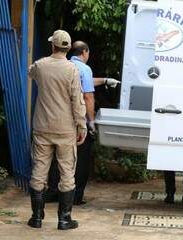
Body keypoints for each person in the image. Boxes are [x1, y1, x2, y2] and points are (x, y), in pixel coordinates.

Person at [46, 41, 120, 205]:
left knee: (57, 157)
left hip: (57, 119)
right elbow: (87, 96)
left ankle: (53, 192)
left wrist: (105, 80)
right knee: (80, 159)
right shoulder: (84, 69)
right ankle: (76, 196)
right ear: (85, 52)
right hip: (78, 121)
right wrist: (91, 122)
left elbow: (85, 81)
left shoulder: (64, 66)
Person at [28, 30, 87, 230]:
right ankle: (64, 219)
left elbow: (31, 73)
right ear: (68, 48)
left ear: (52, 45)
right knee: (67, 171)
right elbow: (77, 101)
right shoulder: (72, 70)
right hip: (65, 129)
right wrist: (81, 125)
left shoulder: (40, 65)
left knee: (39, 170)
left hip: (42, 127)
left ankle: (36, 217)